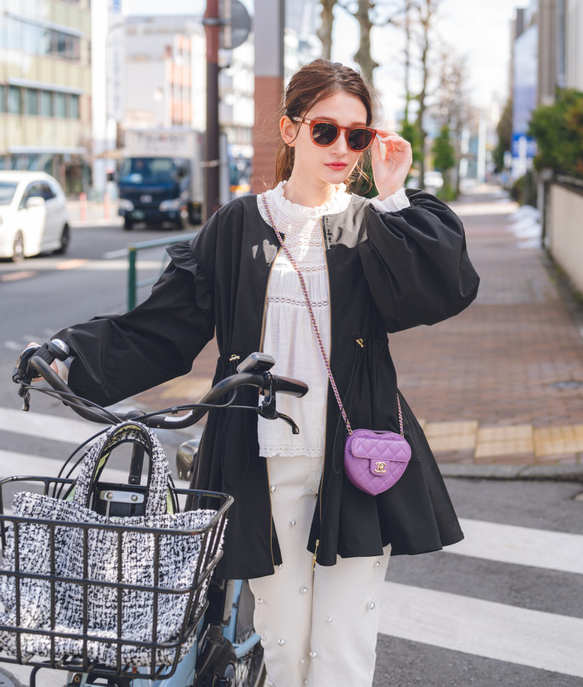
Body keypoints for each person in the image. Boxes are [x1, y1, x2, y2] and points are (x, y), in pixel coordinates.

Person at [23, 59, 479, 687]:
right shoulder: (238, 226)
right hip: (260, 459)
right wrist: (68, 355)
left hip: (359, 457)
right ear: (290, 131)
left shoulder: (373, 225)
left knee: (344, 649)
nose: (342, 148)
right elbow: (166, 324)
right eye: (326, 131)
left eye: (358, 135)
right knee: (284, 647)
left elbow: (444, 288)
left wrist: (395, 191)